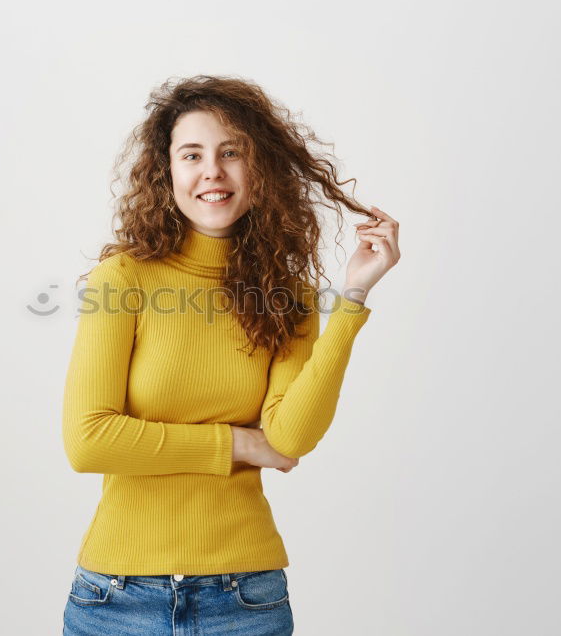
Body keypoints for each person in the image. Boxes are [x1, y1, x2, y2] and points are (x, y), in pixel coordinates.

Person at [61, 75, 401, 635]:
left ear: (257, 169)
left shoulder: (285, 295)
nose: (212, 171)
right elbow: (87, 439)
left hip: (244, 598)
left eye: (231, 152)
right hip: (116, 600)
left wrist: (353, 299)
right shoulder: (122, 278)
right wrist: (238, 443)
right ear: (166, 171)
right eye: (191, 154)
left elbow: (290, 438)